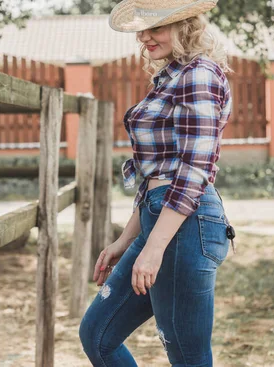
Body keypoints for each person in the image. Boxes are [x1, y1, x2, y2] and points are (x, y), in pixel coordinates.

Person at [79, 1, 236, 366]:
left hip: (185, 224)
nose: (144, 37)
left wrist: (154, 248)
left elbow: (194, 168)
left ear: (186, 26)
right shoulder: (173, 76)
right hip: (161, 218)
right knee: (97, 334)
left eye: (156, 28)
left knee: (186, 356)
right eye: (142, 29)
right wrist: (127, 238)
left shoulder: (200, 74)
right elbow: (156, 173)